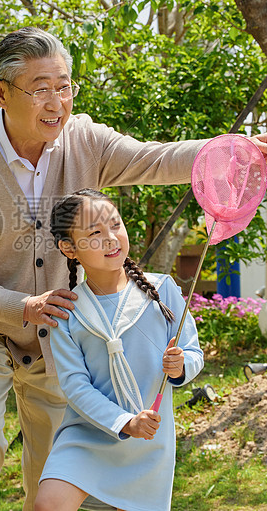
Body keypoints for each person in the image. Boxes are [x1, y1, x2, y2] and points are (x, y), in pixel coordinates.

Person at [0, 26, 267, 511]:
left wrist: (235, 148)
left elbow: (153, 158)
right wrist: (25, 306)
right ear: (2, 92)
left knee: (53, 467)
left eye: (64, 86)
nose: (56, 101)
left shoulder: (86, 141)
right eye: (40, 89)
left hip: (60, 337)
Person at [34, 188, 203, 511]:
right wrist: (125, 422)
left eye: (115, 225)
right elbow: (75, 386)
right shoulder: (69, 311)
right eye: (95, 232)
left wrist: (180, 366)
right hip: (90, 431)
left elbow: (193, 352)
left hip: (148, 440)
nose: (111, 238)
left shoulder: (162, 291)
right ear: (69, 248)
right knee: (49, 504)